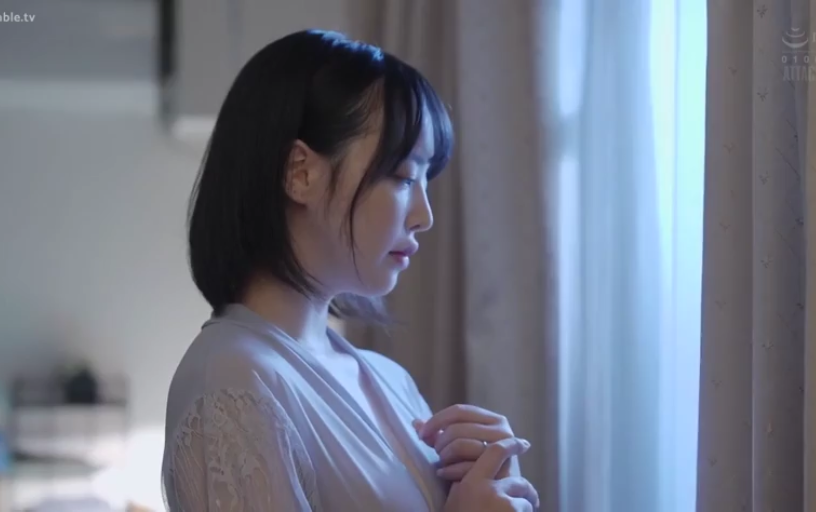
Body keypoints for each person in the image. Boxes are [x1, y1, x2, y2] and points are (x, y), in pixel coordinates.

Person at [160, 29, 540, 511]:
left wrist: (489, 480)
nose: (424, 215)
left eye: (425, 180)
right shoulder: (233, 380)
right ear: (300, 172)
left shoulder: (389, 380)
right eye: (402, 176)